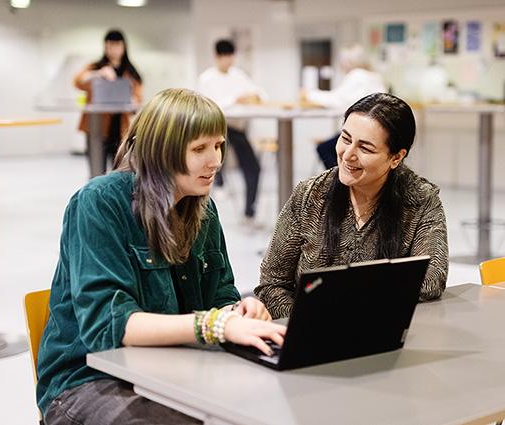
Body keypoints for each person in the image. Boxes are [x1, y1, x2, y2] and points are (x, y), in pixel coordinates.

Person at [36, 88, 286, 424]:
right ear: (161, 151)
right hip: (88, 380)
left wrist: (236, 311)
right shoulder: (99, 202)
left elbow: (220, 296)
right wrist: (215, 325)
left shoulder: (204, 210)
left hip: (174, 369)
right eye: (199, 149)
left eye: (218, 145)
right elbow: (107, 327)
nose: (215, 160)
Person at [255, 93, 448, 319]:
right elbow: (271, 284)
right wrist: (310, 321)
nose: (347, 155)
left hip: (382, 329)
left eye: (365, 148)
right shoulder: (310, 195)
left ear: (396, 157)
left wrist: (352, 313)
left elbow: (432, 279)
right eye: (345, 139)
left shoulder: (420, 200)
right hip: (308, 332)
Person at [197, 39, 264, 222]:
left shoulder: (238, 75)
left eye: (231, 57)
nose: (228, 61)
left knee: (253, 168)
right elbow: (208, 106)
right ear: (217, 57)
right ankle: (218, 182)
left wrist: (255, 96)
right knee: (213, 161)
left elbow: (257, 92)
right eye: (225, 57)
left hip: (237, 128)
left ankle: (249, 211)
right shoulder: (206, 78)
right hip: (216, 128)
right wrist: (235, 99)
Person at [302, 44, 386, 169]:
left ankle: (340, 178)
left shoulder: (357, 75)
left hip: (362, 130)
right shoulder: (374, 76)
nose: (341, 65)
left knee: (324, 149)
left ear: (349, 61)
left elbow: (337, 100)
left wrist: (309, 94)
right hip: (377, 130)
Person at [73, 29, 143, 173]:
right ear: (105, 47)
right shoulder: (96, 67)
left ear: (124, 47)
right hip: (96, 127)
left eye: (117, 45)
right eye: (110, 45)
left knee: (120, 170)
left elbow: (138, 98)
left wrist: (131, 100)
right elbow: (78, 81)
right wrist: (98, 73)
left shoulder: (131, 72)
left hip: (120, 129)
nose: (114, 50)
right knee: (96, 171)